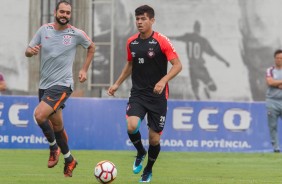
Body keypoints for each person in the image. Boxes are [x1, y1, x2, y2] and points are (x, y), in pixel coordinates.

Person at [107, 5, 182, 182]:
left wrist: (163, 81)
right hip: (138, 94)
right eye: (137, 19)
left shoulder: (161, 41)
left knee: (154, 140)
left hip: (158, 97)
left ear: (152, 21)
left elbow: (178, 65)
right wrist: (117, 83)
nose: (139, 22)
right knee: (132, 126)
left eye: (143, 19)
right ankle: (141, 151)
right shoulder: (131, 42)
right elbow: (130, 65)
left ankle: (148, 169)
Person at [25, 0, 95, 177]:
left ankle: (53, 148)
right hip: (44, 85)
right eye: (62, 12)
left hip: (63, 84)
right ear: (55, 12)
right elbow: (28, 50)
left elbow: (92, 47)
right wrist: (30, 52)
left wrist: (84, 69)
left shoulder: (76, 34)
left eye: (68, 13)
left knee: (39, 115)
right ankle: (69, 159)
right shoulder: (44, 30)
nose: (65, 15)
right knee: (57, 125)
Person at [169, 20, 230, 100]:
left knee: (195, 92)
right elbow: (214, 53)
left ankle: (199, 94)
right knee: (213, 87)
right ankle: (206, 86)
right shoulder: (203, 40)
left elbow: (175, 38)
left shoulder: (188, 36)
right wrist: (225, 61)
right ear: (200, 29)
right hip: (201, 68)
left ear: (194, 28)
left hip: (192, 68)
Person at [265, 49, 282, 153]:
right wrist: (276, 84)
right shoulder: (270, 70)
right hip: (272, 101)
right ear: (274, 59)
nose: (279, 60)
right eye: (277, 58)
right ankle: (276, 148)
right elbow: (270, 82)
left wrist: (277, 83)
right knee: (272, 126)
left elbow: (273, 83)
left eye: (281, 58)